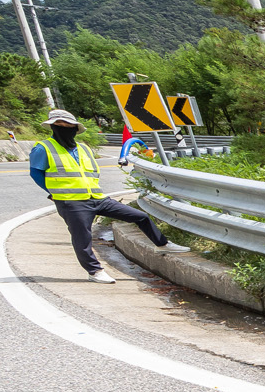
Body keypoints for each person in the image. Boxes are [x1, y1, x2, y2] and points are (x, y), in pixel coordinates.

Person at [29, 108, 188, 282]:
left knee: (140, 216)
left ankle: (162, 244)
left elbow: (91, 173)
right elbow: (36, 174)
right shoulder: (44, 148)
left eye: (67, 124)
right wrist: (53, 192)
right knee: (82, 237)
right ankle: (94, 271)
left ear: (75, 128)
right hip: (71, 202)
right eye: (59, 125)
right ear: (52, 127)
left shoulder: (84, 148)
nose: (63, 127)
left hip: (97, 198)